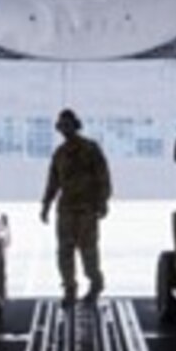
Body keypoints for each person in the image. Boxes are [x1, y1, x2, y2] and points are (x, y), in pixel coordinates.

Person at [40, 108, 112, 302]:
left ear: (75, 126)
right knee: (64, 252)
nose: (65, 129)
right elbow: (53, 182)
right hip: (66, 210)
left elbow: (102, 177)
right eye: (62, 126)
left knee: (88, 252)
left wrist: (102, 202)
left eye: (68, 125)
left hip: (87, 209)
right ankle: (69, 288)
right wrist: (46, 205)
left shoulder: (91, 149)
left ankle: (95, 284)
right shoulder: (60, 154)